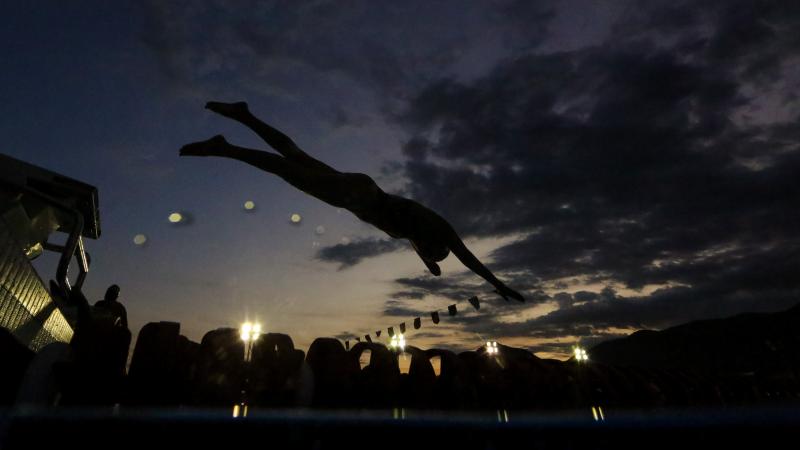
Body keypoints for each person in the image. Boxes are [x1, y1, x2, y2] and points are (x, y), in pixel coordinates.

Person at [180, 102, 524, 302]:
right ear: (436, 244)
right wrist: (498, 285)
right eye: (431, 253)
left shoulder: (417, 236)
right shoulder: (440, 230)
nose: (424, 252)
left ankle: (244, 115)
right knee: (287, 170)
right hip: (357, 195)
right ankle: (225, 148)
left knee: (294, 156)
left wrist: (431, 267)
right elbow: (469, 260)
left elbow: (421, 250)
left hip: (359, 189)